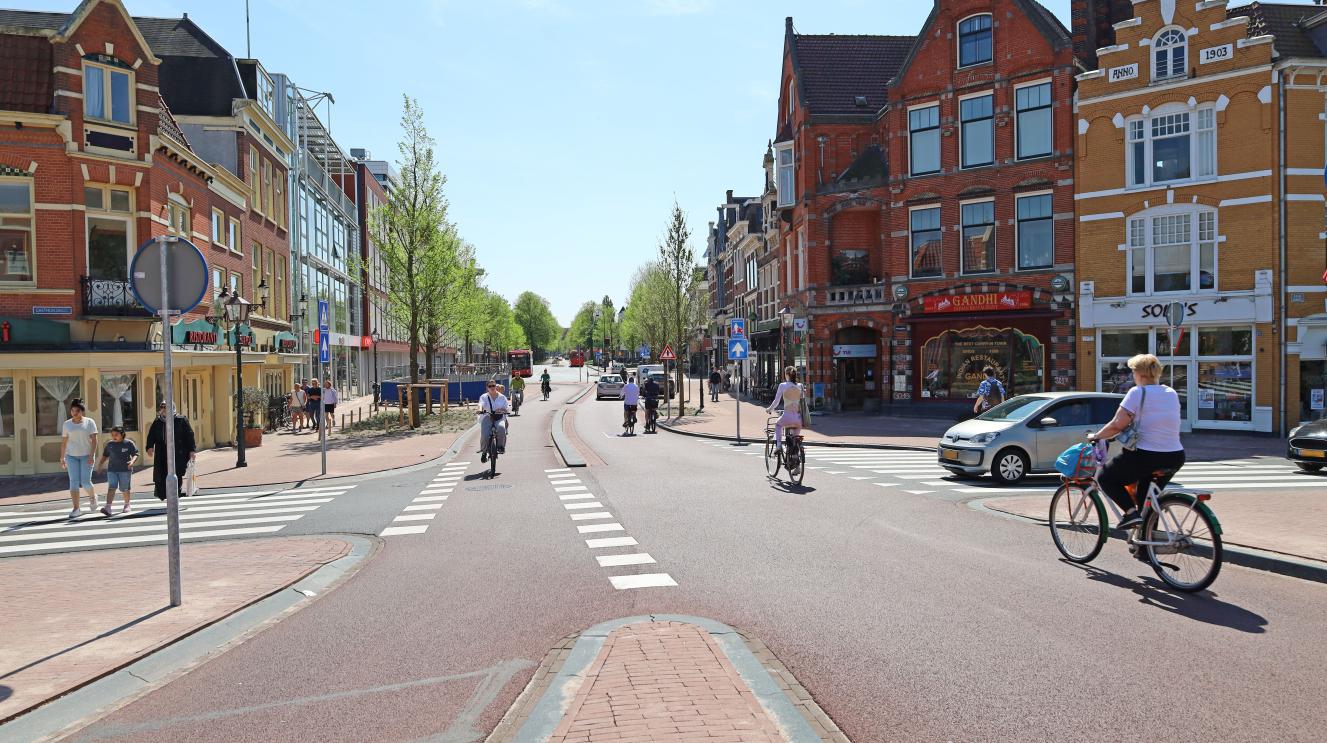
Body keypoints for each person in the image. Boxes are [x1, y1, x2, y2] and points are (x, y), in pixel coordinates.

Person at [1089, 353, 1185, 529]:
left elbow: (1117, 425)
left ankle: (1130, 514)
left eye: (1133, 372)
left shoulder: (1137, 392)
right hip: (1175, 455)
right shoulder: (1170, 392)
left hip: (1146, 455)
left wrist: (1097, 436)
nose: (1133, 376)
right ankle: (1145, 545)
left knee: (1106, 478)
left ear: (1139, 374)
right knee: (1147, 499)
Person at [146, 402, 197, 502]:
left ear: (172, 407)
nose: (164, 409)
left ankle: (175, 495)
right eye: (162, 407)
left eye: (166, 407)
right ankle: (166, 495)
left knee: (177, 474)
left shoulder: (181, 419)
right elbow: (151, 435)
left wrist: (192, 450)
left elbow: (189, 435)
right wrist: (149, 447)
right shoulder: (157, 421)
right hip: (162, 453)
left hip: (178, 452)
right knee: (162, 474)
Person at [60, 399, 99, 519]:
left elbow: (94, 440)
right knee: (74, 482)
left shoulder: (89, 422)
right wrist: (62, 457)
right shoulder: (67, 424)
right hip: (71, 456)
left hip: (86, 456)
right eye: (72, 410)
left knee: (86, 482)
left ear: (82, 411)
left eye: (77, 411)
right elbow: (64, 442)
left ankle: (93, 496)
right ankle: (76, 508)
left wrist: (92, 455)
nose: (74, 413)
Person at [98, 426, 139, 515]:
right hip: (112, 470)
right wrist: (100, 465)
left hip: (125, 470)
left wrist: (132, 461)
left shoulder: (129, 443)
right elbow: (105, 455)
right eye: (112, 435)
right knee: (111, 487)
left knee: (125, 488)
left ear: (122, 434)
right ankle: (108, 507)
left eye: (116, 435)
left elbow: (135, 453)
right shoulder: (110, 444)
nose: (114, 437)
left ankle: (127, 505)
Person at [765, 366, 805, 447]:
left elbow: (776, 401)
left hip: (787, 416)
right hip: (798, 419)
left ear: (787, 375)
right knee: (795, 438)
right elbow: (802, 400)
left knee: (778, 425)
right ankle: (795, 454)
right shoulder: (800, 385)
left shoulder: (782, 385)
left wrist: (769, 409)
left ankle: (779, 445)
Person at [477, 380, 509, 462]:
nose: (492, 387)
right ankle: (484, 452)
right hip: (487, 416)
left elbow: (506, 408)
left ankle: (500, 446)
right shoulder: (484, 397)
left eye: (493, 385)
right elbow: (481, 404)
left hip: (499, 417)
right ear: (487, 388)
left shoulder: (502, 397)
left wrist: (502, 410)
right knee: (485, 435)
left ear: (496, 386)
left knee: (501, 428)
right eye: (490, 386)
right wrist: (480, 410)